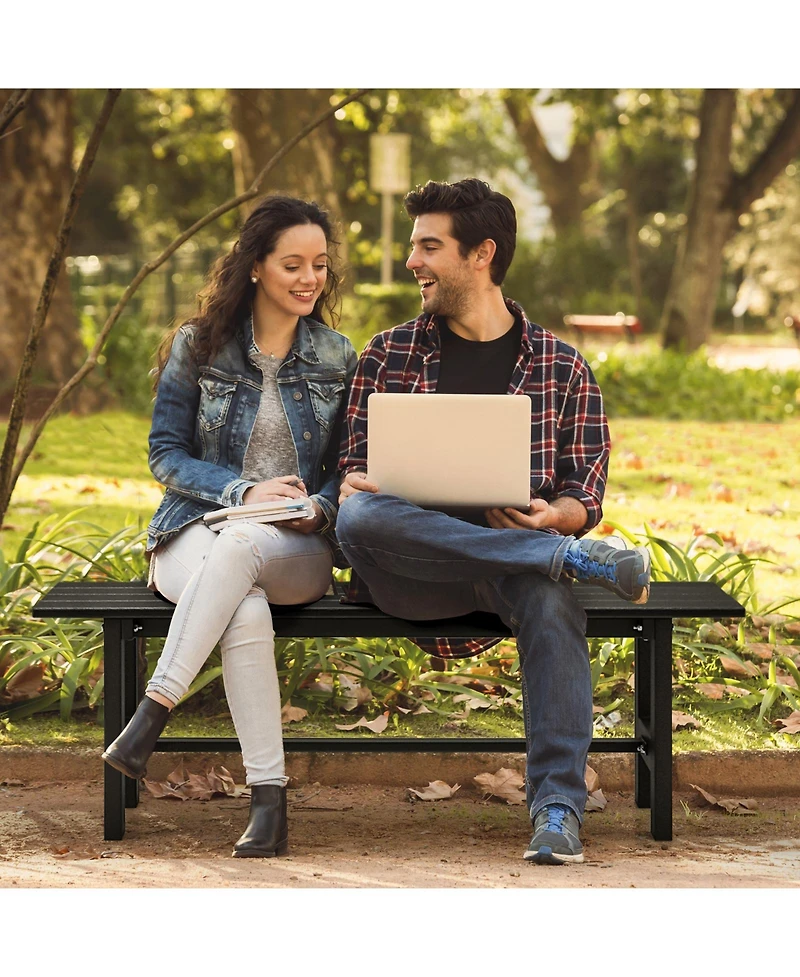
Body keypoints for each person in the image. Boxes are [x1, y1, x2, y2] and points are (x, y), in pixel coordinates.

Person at [335, 178, 650, 866]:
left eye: (428, 246)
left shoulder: (563, 366)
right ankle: (562, 558)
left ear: (481, 253)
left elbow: (583, 492)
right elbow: (350, 473)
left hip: (513, 571)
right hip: (412, 571)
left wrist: (555, 516)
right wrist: (351, 480)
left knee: (549, 598)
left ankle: (559, 808)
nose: (412, 261)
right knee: (358, 516)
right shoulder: (387, 354)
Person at [102, 195, 357, 858]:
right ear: (255, 267)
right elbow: (165, 452)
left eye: (320, 266)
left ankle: (152, 714)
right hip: (196, 528)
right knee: (242, 607)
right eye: (293, 264)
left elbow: (351, 466)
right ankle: (268, 804)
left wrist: (319, 507)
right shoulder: (200, 344)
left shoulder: (336, 355)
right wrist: (242, 489)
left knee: (247, 545)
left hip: (291, 543)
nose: (309, 279)